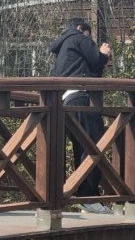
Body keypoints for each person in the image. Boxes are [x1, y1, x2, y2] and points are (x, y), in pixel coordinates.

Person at [50, 18, 112, 214]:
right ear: (80, 28)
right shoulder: (78, 37)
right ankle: (88, 197)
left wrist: (101, 62)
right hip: (80, 98)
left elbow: (91, 71)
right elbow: (95, 60)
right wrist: (103, 54)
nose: (89, 39)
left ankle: (83, 196)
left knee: (82, 146)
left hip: (66, 101)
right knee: (94, 145)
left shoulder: (64, 46)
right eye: (89, 35)